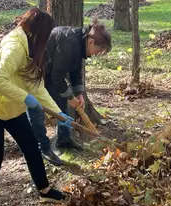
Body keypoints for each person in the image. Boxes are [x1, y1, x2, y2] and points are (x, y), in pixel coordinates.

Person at [0, 8, 73, 206]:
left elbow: (37, 87)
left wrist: (59, 114)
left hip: (12, 108)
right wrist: (25, 97)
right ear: (38, 32)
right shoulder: (14, 46)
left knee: (31, 147)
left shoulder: (31, 47)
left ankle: (44, 191)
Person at [26, 18, 112, 166]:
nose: (96, 54)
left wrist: (78, 93)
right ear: (91, 42)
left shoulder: (79, 42)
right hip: (35, 72)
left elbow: (75, 71)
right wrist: (70, 97)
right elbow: (58, 77)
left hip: (50, 73)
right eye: (98, 51)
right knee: (38, 109)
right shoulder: (69, 43)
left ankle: (64, 139)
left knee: (62, 104)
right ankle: (41, 148)